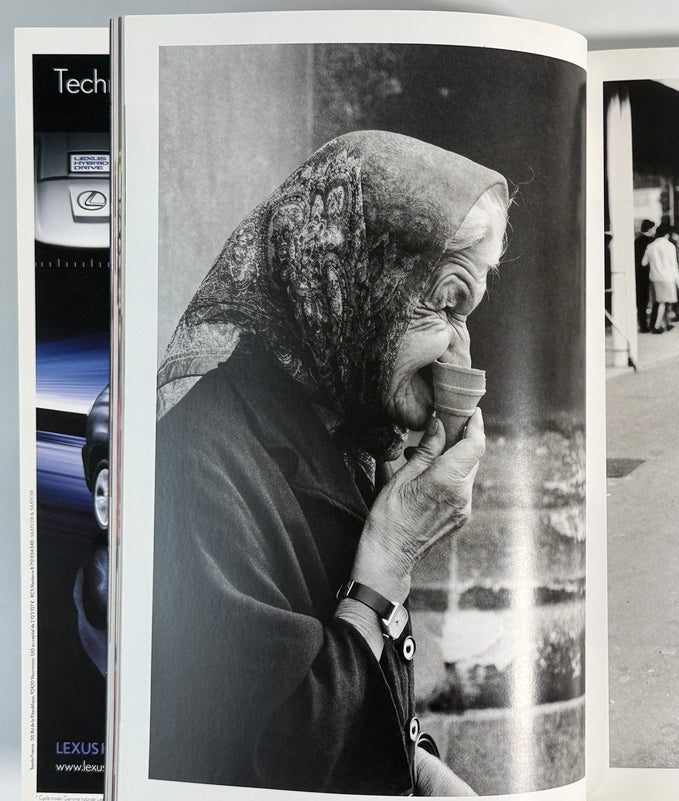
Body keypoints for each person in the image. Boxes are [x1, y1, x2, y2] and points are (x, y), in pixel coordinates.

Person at [149, 131, 509, 794]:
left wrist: (419, 763)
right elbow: (269, 761)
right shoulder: (193, 471)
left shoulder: (350, 434)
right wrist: (387, 561)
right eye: (444, 307)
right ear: (348, 287)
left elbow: (362, 701)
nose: (461, 352)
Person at [641, 223, 679, 334]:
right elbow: (674, 264)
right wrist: (678, 279)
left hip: (655, 278)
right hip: (668, 277)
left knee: (661, 301)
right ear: (667, 235)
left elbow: (644, 263)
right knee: (664, 302)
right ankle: (657, 325)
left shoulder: (650, 246)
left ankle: (666, 323)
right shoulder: (670, 246)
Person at [634, 219, 656, 332]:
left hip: (639, 274)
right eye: (653, 228)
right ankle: (653, 323)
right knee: (651, 299)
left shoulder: (636, 241)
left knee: (641, 300)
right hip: (651, 273)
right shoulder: (652, 242)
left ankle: (642, 324)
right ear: (650, 229)